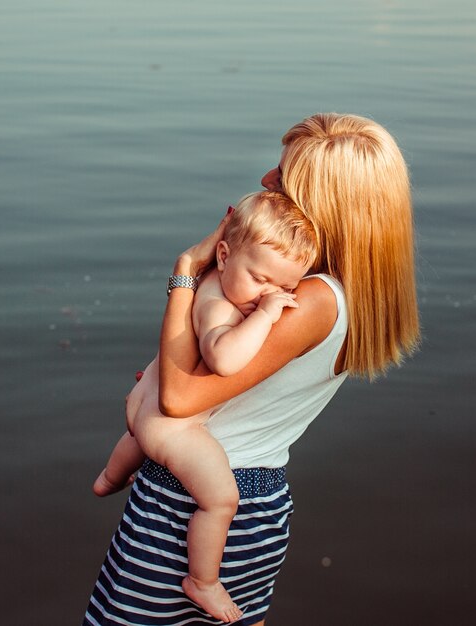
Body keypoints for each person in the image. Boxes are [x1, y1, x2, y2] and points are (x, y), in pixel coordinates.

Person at [83, 112, 420, 626]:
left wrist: (185, 274)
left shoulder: (308, 301)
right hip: (252, 502)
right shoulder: (340, 294)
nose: (266, 179)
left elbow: (177, 400)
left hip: (191, 501)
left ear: (324, 205)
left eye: (283, 177)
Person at [92, 191, 317, 623]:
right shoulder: (218, 305)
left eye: (285, 287)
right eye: (259, 279)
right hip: (173, 428)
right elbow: (225, 359)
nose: (266, 294)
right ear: (224, 253)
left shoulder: (219, 280)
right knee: (220, 499)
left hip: (148, 417)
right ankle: (203, 581)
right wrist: (268, 316)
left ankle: (109, 476)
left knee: (139, 437)